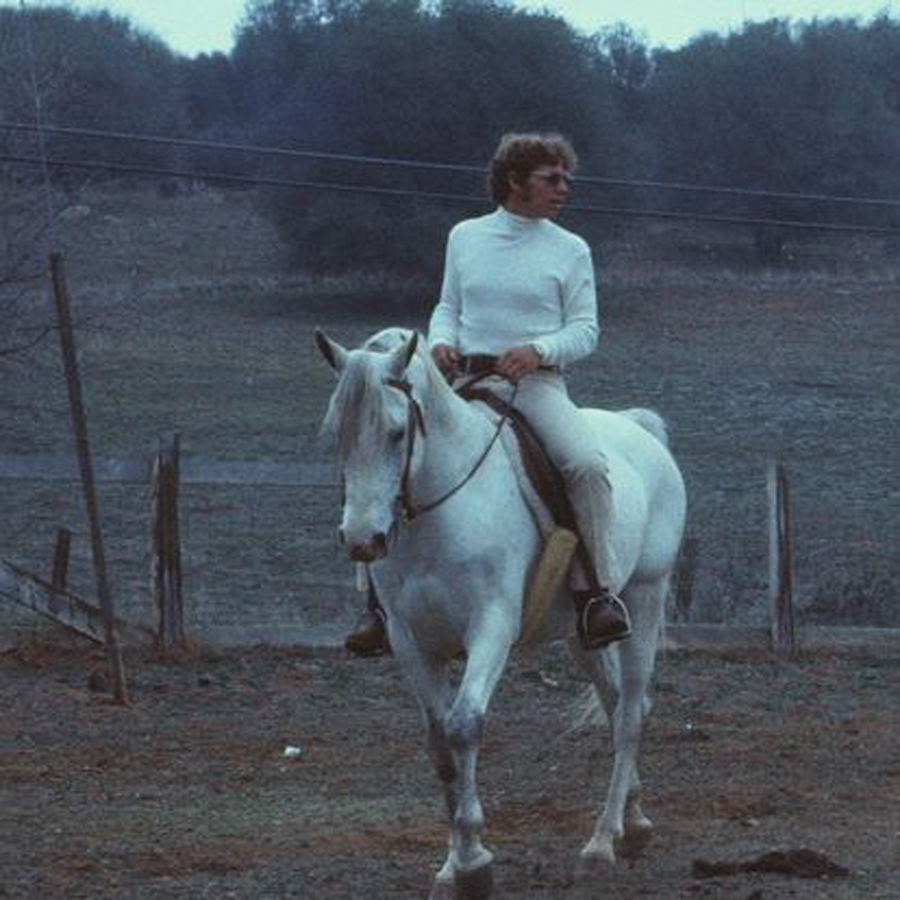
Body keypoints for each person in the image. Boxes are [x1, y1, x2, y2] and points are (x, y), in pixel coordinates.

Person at [345, 132, 630, 657]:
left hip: (534, 386)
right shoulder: (466, 236)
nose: (563, 188)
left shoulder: (571, 249)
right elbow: (447, 306)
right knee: (386, 455)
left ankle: (597, 595)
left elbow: (586, 331)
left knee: (587, 465)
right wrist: (445, 342)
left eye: (566, 179)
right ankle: (379, 608)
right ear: (514, 180)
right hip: (464, 383)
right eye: (551, 178)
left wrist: (539, 350)